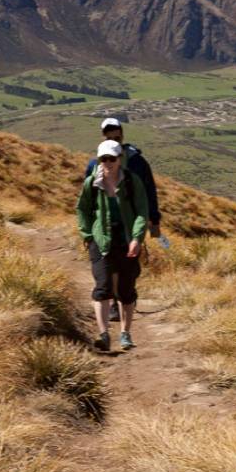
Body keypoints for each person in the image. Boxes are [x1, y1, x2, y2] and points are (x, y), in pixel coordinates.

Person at [83, 118, 162, 321]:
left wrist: (153, 218)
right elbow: (88, 196)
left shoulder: (136, 161)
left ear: (122, 133)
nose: (113, 136)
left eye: (116, 133)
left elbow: (149, 191)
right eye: (109, 133)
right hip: (106, 223)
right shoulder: (96, 163)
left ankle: (125, 297)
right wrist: (89, 228)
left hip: (134, 219)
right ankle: (117, 304)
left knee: (128, 264)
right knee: (112, 265)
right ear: (103, 136)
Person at [77, 140, 151, 352]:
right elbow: (82, 209)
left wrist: (137, 238)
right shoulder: (92, 182)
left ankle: (125, 333)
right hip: (101, 241)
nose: (108, 163)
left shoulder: (131, 181)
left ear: (120, 159)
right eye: (104, 159)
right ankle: (103, 334)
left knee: (126, 290)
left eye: (112, 158)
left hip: (126, 239)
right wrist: (88, 234)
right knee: (103, 288)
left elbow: (141, 211)